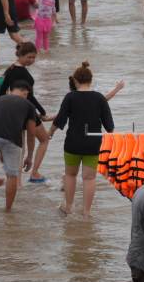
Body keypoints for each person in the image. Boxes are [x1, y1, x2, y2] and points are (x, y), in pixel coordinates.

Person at [49, 61, 122, 216]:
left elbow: (59, 120)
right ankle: (87, 212)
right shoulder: (99, 98)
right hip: (93, 143)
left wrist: (50, 133)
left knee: (70, 175)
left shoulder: (70, 97)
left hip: (73, 143)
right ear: (91, 80)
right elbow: (109, 125)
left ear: (75, 80)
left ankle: (68, 207)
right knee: (89, 179)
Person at [0, 81, 42, 211]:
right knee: (12, 175)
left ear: (10, 90)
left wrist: (0, 152)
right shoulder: (29, 106)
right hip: (14, 141)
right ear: (26, 93)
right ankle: (8, 209)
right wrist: (29, 157)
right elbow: (31, 134)